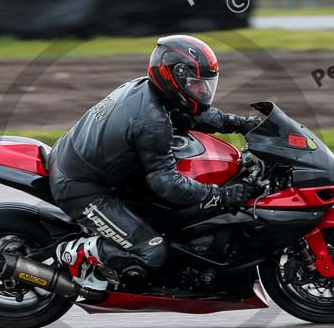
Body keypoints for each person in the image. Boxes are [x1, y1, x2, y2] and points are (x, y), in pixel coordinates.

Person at [48, 35, 261, 287]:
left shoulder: (151, 91)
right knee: (152, 252)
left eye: (205, 84)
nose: (203, 91)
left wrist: (243, 124)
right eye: (195, 84)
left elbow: (194, 116)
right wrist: (220, 195)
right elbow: (166, 184)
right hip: (81, 187)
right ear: (173, 78)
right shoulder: (152, 122)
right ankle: (74, 252)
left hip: (89, 164)